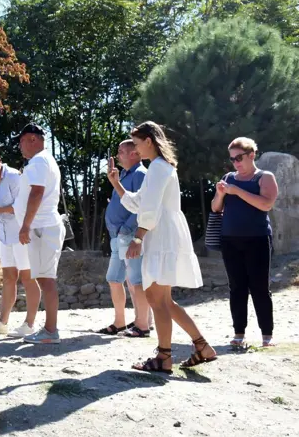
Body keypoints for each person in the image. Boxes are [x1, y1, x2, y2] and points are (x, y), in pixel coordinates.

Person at [110, 121, 216, 372]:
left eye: (136, 144)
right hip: (162, 234)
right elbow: (138, 203)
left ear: (149, 141)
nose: (135, 150)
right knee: (163, 300)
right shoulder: (158, 167)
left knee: (156, 298)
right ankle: (202, 346)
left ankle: (164, 357)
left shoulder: (158, 167)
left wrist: (138, 237)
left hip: (160, 235)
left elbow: (150, 208)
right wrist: (116, 183)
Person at [212, 137, 279, 348]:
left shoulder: (264, 177)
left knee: (260, 287)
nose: (236, 163)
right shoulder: (228, 178)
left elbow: (266, 204)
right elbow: (216, 208)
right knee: (237, 288)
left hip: (257, 239)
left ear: (252, 155)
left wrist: (237, 191)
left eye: (239, 158)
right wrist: (221, 194)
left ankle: (267, 334)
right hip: (230, 240)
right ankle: (238, 333)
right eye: (232, 159)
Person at [0, 148, 40, 338]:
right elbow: (0, 208)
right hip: (5, 235)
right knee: (8, 278)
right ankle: (3, 322)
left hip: (21, 233)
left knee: (28, 278)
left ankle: (30, 324)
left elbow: (21, 207)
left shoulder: (14, 176)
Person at [12, 124, 67, 345]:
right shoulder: (44, 161)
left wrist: (25, 225)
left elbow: (37, 193)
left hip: (42, 227)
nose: (20, 146)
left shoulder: (38, 162)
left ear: (33, 139)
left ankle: (51, 331)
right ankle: (49, 329)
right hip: (43, 226)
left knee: (46, 280)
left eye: (22, 141)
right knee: (45, 279)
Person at [97, 140, 152, 338]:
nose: (117, 155)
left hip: (129, 235)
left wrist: (125, 229)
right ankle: (120, 322)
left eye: (121, 151)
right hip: (117, 236)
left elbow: (142, 207)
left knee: (136, 281)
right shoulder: (123, 175)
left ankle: (142, 325)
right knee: (114, 278)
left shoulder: (140, 174)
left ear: (135, 154)